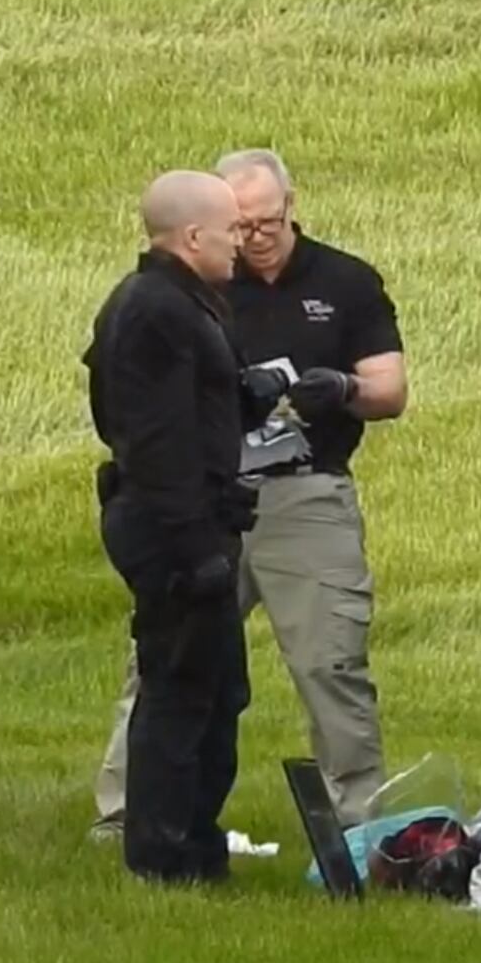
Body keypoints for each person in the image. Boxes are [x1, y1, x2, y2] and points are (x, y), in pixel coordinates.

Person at [90, 149, 408, 836]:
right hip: (203, 500)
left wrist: (343, 389)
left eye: (267, 221)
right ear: (207, 227)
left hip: (303, 493)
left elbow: (391, 387)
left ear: (292, 206)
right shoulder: (184, 291)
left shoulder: (344, 281)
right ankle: (126, 810)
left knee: (331, 660)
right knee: (166, 655)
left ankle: (360, 823)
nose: (254, 236)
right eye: (240, 224)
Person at [84, 170, 285, 883]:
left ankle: (194, 839)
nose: (243, 240)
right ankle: (162, 855)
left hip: (192, 520)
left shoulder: (186, 303)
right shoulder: (154, 311)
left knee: (219, 686)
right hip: (174, 527)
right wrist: (196, 546)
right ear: (193, 235)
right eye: (231, 228)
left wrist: (259, 394)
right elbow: (156, 440)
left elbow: (197, 410)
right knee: (180, 686)